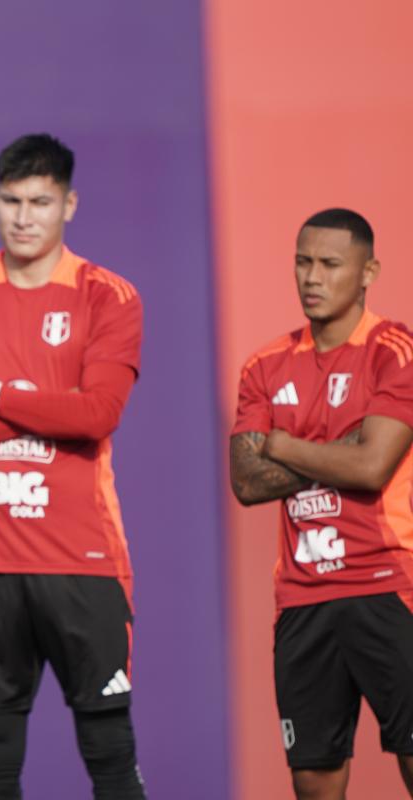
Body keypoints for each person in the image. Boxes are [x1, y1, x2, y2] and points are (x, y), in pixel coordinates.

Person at [0, 134, 146, 799]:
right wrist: (48, 406)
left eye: (41, 201)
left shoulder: (107, 297)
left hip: (82, 557)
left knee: (109, 749)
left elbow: (98, 415)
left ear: (69, 204)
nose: (24, 216)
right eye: (11, 200)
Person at [229, 208, 413, 799]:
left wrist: (282, 444)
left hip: (390, 587)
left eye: (330, 264)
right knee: (314, 778)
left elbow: (372, 466)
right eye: (303, 262)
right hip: (304, 599)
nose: (312, 277)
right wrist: (329, 448)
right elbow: (248, 482)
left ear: (368, 272)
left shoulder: (395, 351)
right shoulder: (264, 365)